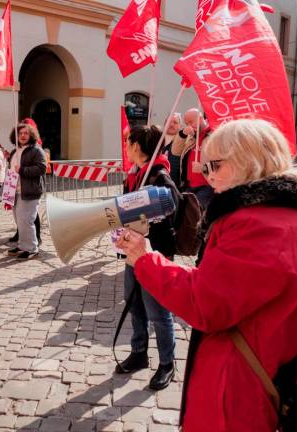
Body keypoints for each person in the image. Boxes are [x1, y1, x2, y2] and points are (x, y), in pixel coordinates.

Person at [116, 119, 297, 431]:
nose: (209, 177)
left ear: (249, 161)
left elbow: (205, 304)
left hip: (238, 393)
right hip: (266, 374)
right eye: (205, 167)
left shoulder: (256, 225)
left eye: (215, 166)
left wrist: (145, 260)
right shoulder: (295, 217)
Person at [115, 124, 180, 391]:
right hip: (134, 252)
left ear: (138, 147)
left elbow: (172, 203)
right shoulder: (135, 174)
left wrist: (149, 210)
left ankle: (167, 363)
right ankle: (139, 353)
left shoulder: (159, 175)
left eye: (128, 142)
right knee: (135, 305)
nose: (126, 146)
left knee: (158, 311)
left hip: (155, 252)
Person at [7, 123, 46, 259]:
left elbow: (42, 168)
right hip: (14, 191)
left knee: (27, 220)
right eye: (20, 133)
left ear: (31, 135)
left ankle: (32, 248)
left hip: (29, 191)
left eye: (26, 133)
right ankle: (22, 245)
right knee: (19, 220)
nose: (23, 136)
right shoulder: (14, 151)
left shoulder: (36, 150)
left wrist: (23, 170)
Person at [169, 108, 214, 207]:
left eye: (191, 121)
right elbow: (175, 151)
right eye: (186, 123)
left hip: (207, 185)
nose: (189, 125)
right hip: (189, 185)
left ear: (201, 118)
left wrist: (204, 167)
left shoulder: (214, 134)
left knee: (196, 216)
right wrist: (182, 134)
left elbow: (223, 161)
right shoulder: (192, 135)